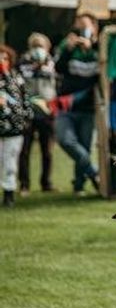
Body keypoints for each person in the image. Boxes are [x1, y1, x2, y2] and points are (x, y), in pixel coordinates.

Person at [54, 11, 101, 195]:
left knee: (85, 145)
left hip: (88, 106)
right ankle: (94, 173)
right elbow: (57, 68)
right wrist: (68, 49)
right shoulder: (68, 44)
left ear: (94, 27)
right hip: (65, 104)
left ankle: (79, 186)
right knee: (65, 140)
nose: (81, 29)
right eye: (78, 25)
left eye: (85, 25)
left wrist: (93, 46)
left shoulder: (100, 46)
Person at [17, 33, 57, 194]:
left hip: (47, 111)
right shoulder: (23, 62)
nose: (38, 49)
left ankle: (46, 183)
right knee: (24, 150)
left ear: (47, 47)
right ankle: (24, 184)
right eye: (35, 46)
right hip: (27, 111)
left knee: (47, 150)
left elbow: (53, 79)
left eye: (41, 46)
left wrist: (43, 65)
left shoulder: (52, 63)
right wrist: (33, 66)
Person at [0, 46, 31, 206]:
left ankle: (9, 193)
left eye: (4, 58)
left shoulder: (16, 79)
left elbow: (25, 101)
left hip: (14, 128)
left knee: (10, 162)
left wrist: (25, 119)